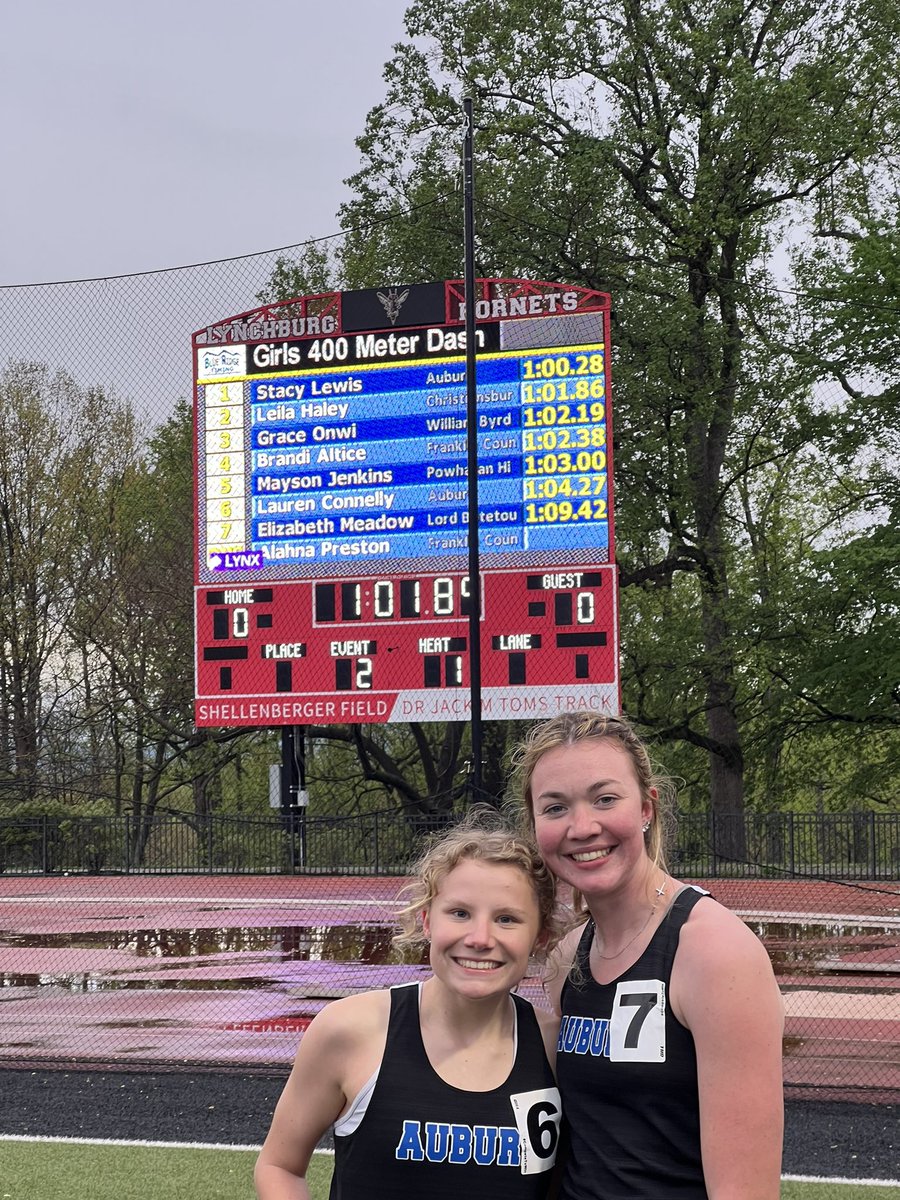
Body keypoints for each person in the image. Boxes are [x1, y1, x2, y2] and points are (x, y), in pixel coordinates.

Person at [511, 711, 784, 1200]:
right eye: (555, 808)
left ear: (646, 808)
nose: (582, 826)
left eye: (605, 799)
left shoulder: (714, 952)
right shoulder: (567, 958)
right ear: (535, 826)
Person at [255, 816, 565, 1200]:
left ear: (540, 937)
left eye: (507, 919)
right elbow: (280, 1166)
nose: (480, 938)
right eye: (460, 913)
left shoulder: (554, 1048)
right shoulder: (350, 1030)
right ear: (427, 920)